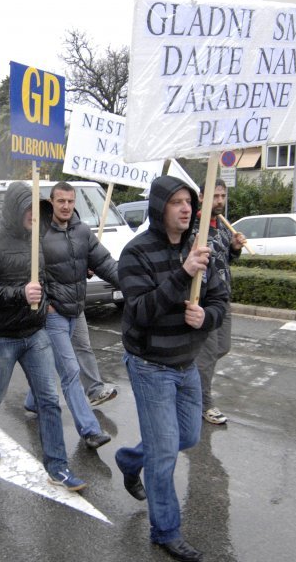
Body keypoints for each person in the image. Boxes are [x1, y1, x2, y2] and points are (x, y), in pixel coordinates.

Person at [114, 175, 228, 562]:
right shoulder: (136, 253)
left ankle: (130, 459)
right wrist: (182, 274)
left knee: (188, 436)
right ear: (159, 207)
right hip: (150, 365)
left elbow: (220, 301)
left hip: (186, 362)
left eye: (189, 202)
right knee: (164, 456)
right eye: (176, 201)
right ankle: (165, 530)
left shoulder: (204, 248)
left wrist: (206, 317)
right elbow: (141, 311)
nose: (185, 208)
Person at [0, 181, 87, 491]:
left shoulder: (37, 242)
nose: (35, 215)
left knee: (49, 400)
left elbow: (43, 278)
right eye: (29, 208)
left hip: (35, 334)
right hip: (0, 337)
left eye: (38, 209)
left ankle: (57, 467)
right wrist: (20, 293)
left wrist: (44, 301)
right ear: (15, 210)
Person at [22, 181, 113, 449]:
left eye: (70, 201)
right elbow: (31, 272)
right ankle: (89, 430)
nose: (66, 206)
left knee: (57, 361)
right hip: (54, 313)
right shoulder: (39, 233)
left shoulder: (82, 231)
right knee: (70, 371)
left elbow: (105, 262)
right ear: (51, 202)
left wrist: (132, 284)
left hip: (76, 309)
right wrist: (46, 303)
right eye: (60, 201)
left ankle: (32, 400)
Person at [192, 179, 246, 425]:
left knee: (222, 347)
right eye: (215, 196)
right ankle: (204, 404)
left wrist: (235, 248)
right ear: (201, 197)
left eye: (223, 196)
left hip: (223, 296)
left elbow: (226, 261)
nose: (220, 201)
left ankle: (188, 375)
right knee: (209, 352)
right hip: (204, 301)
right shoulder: (194, 227)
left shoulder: (224, 227)